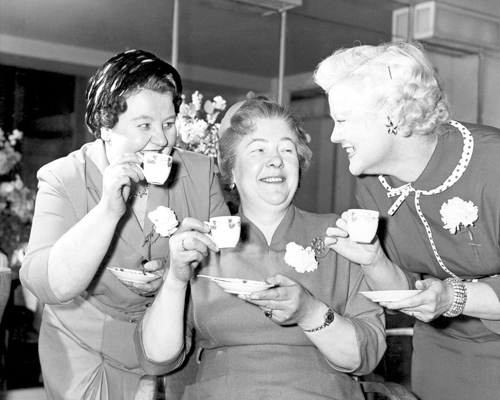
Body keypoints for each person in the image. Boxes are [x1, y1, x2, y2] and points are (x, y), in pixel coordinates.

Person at [134, 97, 386, 399]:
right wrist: (175, 279)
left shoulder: (339, 236)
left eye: (287, 149)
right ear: (231, 170)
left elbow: (366, 354)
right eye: (258, 150)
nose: (276, 160)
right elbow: (157, 358)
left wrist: (310, 312)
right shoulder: (199, 244)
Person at [20, 49, 229, 400]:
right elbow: (44, 283)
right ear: (105, 125)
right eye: (144, 125)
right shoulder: (64, 177)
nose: (162, 140)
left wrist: (182, 269)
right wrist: (107, 210)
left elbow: (225, 265)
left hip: (174, 343)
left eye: (168, 123)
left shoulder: (198, 172)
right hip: (86, 348)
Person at [314, 41, 500, 400]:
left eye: (343, 120)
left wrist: (454, 297)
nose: (335, 136)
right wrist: (373, 258)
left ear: (394, 118)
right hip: (442, 354)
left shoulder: (492, 165)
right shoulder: (372, 183)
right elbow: (408, 289)